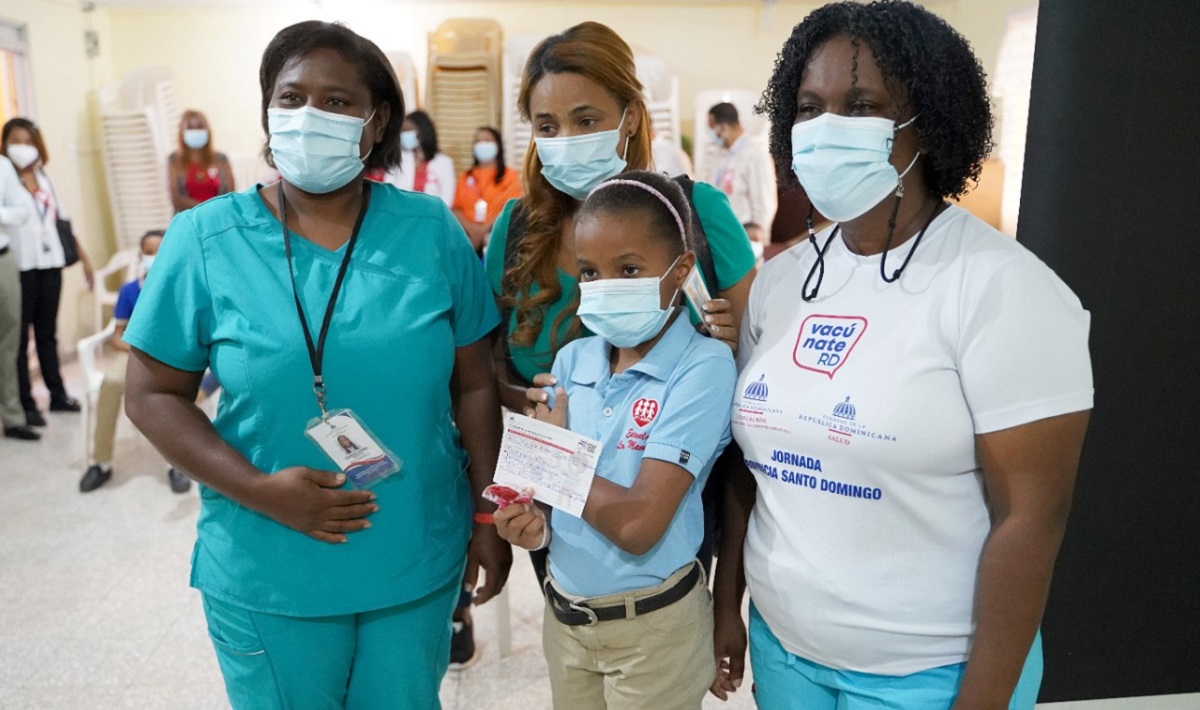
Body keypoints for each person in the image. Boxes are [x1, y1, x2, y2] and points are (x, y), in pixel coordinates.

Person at [710, 3, 1094, 708]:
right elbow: (751, 468)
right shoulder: (782, 280)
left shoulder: (1006, 292)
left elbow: (1031, 520)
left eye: (862, 106)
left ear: (928, 120)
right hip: (785, 649)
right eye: (809, 106)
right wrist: (726, 603)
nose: (829, 128)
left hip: (931, 675)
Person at [121, 21, 511, 709]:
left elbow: (475, 383)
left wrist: (485, 517)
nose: (310, 117)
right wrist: (260, 489)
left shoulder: (429, 231)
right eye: (292, 97)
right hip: (268, 561)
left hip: (413, 553)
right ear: (268, 110)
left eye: (337, 102)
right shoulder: (204, 239)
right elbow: (152, 393)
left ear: (377, 119)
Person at [484, 19, 756, 669]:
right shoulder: (516, 230)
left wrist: (726, 605)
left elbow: (750, 393)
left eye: (585, 119)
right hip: (556, 528)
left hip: (676, 524)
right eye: (547, 127)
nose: (566, 141)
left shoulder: (696, 215)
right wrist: (536, 405)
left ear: (630, 116)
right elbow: (486, 367)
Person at [494, 171, 736, 710]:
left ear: (681, 271)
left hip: (654, 630)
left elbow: (636, 525)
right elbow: (549, 500)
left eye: (628, 269)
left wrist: (555, 456)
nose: (605, 286)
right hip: (568, 620)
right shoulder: (571, 360)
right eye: (589, 272)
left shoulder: (702, 366)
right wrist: (532, 525)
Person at [78, 230, 191, 494]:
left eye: (160, 252)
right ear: (140, 256)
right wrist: (142, 348)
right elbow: (117, 338)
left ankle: (177, 464)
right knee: (111, 383)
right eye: (149, 253)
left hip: (171, 357)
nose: (154, 258)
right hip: (133, 354)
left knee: (172, 394)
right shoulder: (130, 291)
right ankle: (101, 462)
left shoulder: (181, 288)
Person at [2, 117, 94, 427]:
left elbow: (61, 218)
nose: (23, 148)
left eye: (28, 142)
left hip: (50, 262)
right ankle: (26, 403)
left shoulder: (43, 176)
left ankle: (57, 393)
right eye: (16, 141)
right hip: (21, 265)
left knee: (47, 333)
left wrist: (84, 258)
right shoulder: (4, 176)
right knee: (19, 337)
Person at [0, 155, 37, 441]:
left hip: (2, 260)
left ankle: (12, 416)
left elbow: (21, 211)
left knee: (9, 339)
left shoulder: (2, 166)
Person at [706, 102, 777, 246]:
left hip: (747, 235)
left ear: (723, 127)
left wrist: (757, 231)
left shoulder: (754, 154)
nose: (710, 134)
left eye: (712, 129)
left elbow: (764, 201)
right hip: (724, 232)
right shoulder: (720, 154)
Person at [451, 127, 522, 253]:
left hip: (498, 235)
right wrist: (473, 230)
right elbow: (456, 208)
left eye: (487, 140)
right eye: (478, 141)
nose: (482, 145)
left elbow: (512, 208)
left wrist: (484, 229)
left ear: (498, 145)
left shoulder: (510, 176)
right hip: (468, 236)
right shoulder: (465, 176)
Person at [384, 110, 456, 207]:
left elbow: (447, 200)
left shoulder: (444, 162)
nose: (404, 135)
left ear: (423, 132)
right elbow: (389, 191)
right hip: (403, 215)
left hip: (433, 217)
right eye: (403, 131)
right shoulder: (397, 159)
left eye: (409, 130)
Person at [167, 109, 235, 212]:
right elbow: (176, 199)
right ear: (182, 132)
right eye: (190, 128)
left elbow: (230, 193)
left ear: (207, 131)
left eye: (199, 127)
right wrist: (205, 209)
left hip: (218, 214)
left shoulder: (221, 159)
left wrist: (212, 210)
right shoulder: (174, 160)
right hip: (187, 218)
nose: (195, 131)